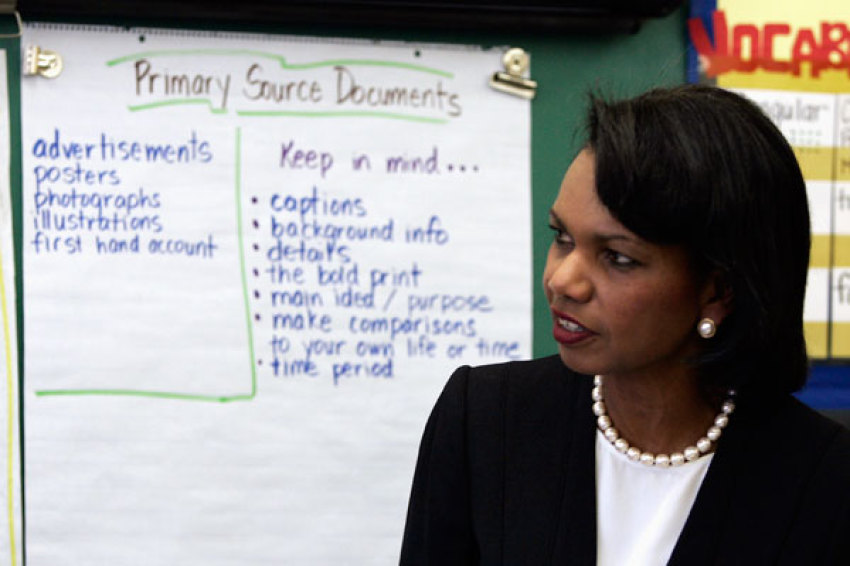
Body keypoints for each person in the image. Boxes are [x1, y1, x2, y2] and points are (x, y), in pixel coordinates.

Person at [399, 84, 850, 565]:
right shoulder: (484, 421)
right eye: (563, 238)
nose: (562, 280)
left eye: (617, 258)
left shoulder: (826, 483)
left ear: (718, 291)